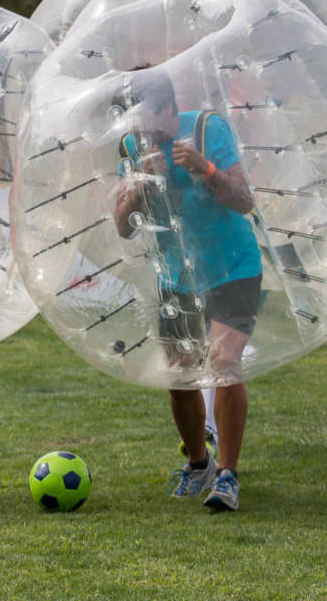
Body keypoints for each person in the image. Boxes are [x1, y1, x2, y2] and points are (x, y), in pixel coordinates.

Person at [114, 68, 262, 512]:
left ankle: (228, 476)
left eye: (146, 118)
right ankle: (199, 463)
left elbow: (244, 200)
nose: (140, 129)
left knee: (223, 361)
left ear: (168, 108)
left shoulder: (207, 127)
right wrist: (139, 186)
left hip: (232, 266)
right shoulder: (130, 146)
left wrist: (205, 168)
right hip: (177, 276)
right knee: (180, 374)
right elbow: (122, 227)